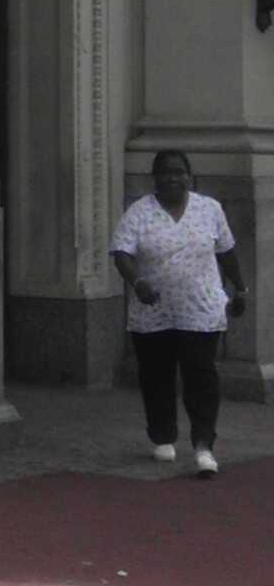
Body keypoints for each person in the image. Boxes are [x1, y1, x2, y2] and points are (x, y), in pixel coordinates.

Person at [110, 151, 245, 476]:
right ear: (154, 178)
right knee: (156, 375)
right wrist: (137, 282)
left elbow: (226, 251)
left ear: (189, 175)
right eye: (165, 173)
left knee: (201, 376)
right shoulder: (139, 212)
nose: (172, 178)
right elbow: (121, 252)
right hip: (153, 313)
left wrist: (240, 289)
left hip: (200, 310)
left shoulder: (209, 209)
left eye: (179, 171)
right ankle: (162, 435)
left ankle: (203, 445)